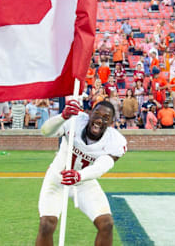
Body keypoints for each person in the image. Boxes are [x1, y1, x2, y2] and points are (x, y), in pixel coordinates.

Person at [36, 100, 125, 246]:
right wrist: (63, 117)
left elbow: (103, 165)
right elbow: (45, 131)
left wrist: (79, 176)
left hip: (84, 182)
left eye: (105, 117)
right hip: (58, 178)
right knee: (46, 224)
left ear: (110, 123)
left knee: (106, 224)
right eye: (96, 113)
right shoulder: (75, 121)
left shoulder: (115, 140)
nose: (99, 119)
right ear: (89, 114)